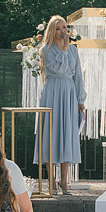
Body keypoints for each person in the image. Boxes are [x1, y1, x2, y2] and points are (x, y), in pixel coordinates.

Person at [33, 16, 88, 196]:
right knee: (50, 132)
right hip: (53, 92)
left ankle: (64, 179)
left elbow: (77, 74)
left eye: (64, 27)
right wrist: (64, 49)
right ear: (52, 31)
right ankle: (51, 180)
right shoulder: (46, 50)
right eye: (58, 28)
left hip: (69, 93)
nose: (62, 31)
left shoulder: (73, 50)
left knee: (67, 133)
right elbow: (57, 69)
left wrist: (81, 99)